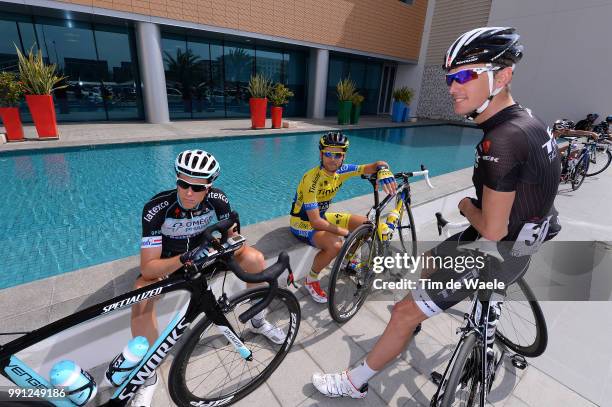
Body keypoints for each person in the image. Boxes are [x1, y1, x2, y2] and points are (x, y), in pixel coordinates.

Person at [312, 26, 561, 398]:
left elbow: (491, 230)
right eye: (450, 78)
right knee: (427, 259)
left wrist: (465, 205)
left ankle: (354, 382)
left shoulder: (501, 141)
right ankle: (471, 310)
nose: (453, 86)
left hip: (493, 251)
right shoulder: (529, 121)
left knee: (402, 313)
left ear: (503, 75)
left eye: (465, 75)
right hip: (527, 241)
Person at [131, 150, 286, 406]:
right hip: (174, 262)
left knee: (256, 259)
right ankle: (148, 376)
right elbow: (148, 268)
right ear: (177, 179)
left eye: (197, 187)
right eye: (183, 183)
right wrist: (185, 258)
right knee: (141, 292)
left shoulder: (218, 199)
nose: (189, 192)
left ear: (209, 185)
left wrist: (229, 244)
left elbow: (234, 238)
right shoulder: (156, 209)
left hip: (209, 256)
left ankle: (258, 321)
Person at [289, 131, 397, 303]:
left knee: (366, 225)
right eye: (328, 154)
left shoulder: (343, 170)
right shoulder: (312, 179)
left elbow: (374, 165)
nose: (333, 159)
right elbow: (315, 222)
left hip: (322, 216)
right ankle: (311, 280)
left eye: (338, 154)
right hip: (303, 223)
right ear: (321, 154)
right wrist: (343, 232)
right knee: (336, 244)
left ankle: (347, 261)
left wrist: (383, 169)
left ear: (343, 156)